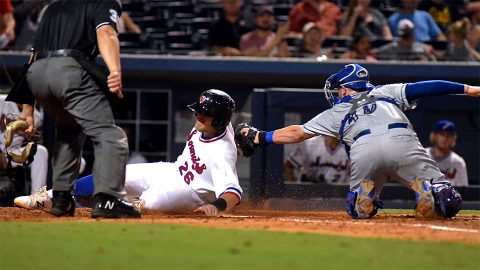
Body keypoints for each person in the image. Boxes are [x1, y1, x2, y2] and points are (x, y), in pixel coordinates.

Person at [235, 63, 480, 219]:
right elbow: (427, 87)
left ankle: (366, 200)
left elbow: (297, 133)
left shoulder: (336, 112)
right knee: (448, 201)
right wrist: (468, 89)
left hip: (363, 150)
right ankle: (429, 189)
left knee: (356, 210)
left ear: (344, 88)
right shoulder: (385, 91)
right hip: (401, 138)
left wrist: (261, 137)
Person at [15, 90, 243, 217]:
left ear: (220, 119)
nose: (198, 117)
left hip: (192, 192)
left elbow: (233, 192)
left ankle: (123, 205)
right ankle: (52, 197)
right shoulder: (215, 125)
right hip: (173, 170)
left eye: (205, 114)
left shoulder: (222, 152)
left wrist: (218, 206)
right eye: (199, 112)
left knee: (150, 203)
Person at [12, 0, 140, 218]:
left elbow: (33, 54)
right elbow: (107, 33)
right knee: (109, 134)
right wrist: (114, 70)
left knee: (69, 130)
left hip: (36, 75)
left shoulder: (52, 7)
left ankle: (61, 198)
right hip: (67, 70)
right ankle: (109, 198)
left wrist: (27, 109)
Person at [285, 135, 349, 184]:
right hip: (309, 196)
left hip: (337, 196)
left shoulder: (349, 149)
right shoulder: (310, 143)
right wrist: (292, 192)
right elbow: (289, 165)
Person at [426, 120, 468, 187]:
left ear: (453, 138)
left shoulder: (458, 162)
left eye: (448, 135)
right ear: (434, 136)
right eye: (442, 134)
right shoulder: (422, 155)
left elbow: (463, 190)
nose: (445, 138)